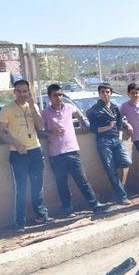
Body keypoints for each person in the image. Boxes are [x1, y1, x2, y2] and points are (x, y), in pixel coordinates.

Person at [41, 84, 109, 216]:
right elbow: (39, 131)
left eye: (60, 95)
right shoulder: (45, 113)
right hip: (56, 154)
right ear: (49, 97)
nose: (58, 98)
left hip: (72, 151)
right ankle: (68, 209)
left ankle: (95, 205)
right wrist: (50, 132)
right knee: (62, 184)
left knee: (82, 180)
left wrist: (83, 124)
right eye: (55, 95)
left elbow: (79, 114)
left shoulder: (69, 108)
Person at [0, 79, 53, 233]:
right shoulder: (7, 109)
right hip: (18, 153)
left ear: (29, 92)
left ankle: (41, 215)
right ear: (14, 92)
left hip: (35, 150)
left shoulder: (33, 105)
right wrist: (15, 143)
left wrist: (34, 109)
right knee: (21, 188)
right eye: (19, 91)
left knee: (37, 185)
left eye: (25, 91)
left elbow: (41, 126)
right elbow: (0, 131)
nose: (22, 94)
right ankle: (20, 222)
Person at [86, 82, 133, 205]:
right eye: (103, 92)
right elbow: (93, 129)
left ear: (111, 93)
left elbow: (119, 123)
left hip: (116, 140)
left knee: (127, 161)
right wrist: (107, 127)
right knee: (110, 171)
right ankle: (121, 197)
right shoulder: (94, 110)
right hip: (103, 142)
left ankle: (114, 163)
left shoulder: (115, 107)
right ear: (99, 93)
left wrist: (121, 134)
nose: (105, 94)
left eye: (108, 92)